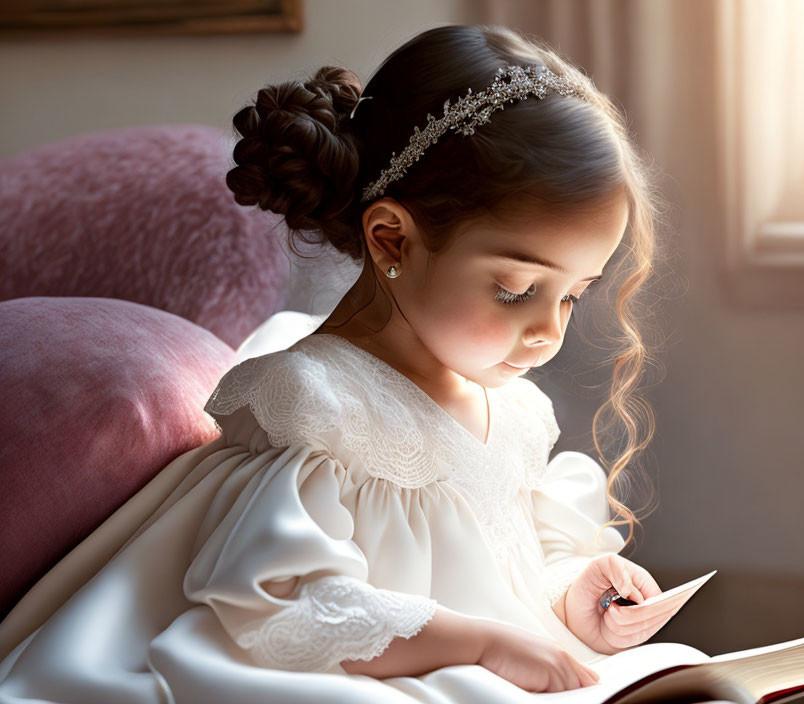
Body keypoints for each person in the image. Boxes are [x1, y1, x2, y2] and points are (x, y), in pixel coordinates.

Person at [0, 23, 696, 703]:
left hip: (480, 667)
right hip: (363, 669)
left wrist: (573, 594)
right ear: (392, 239)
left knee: (687, 673)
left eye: (574, 296)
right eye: (517, 289)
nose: (548, 330)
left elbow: (506, 569)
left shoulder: (514, 412)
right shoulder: (321, 407)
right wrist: (481, 644)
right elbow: (283, 604)